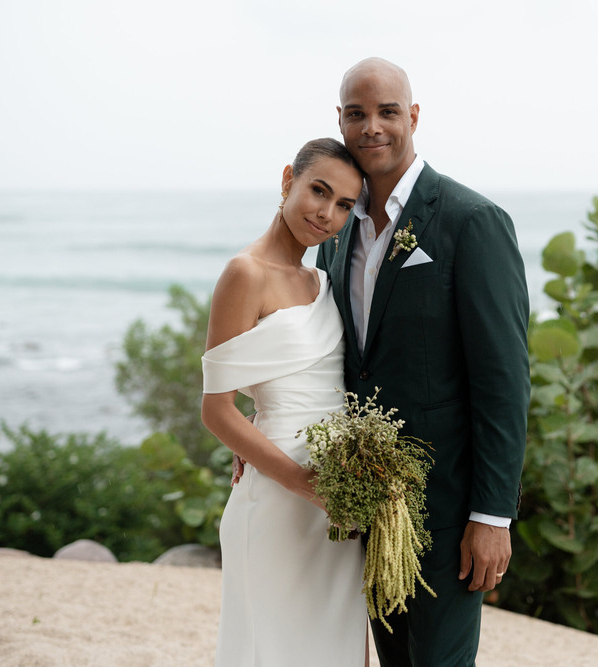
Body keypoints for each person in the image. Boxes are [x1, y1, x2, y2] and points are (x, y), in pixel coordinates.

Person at [316, 58, 531, 666]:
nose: (371, 127)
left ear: (412, 116)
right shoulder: (336, 229)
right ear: (339, 120)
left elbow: (503, 381)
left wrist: (493, 516)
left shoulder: (472, 222)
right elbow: (329, 352)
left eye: (387, 112)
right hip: (368, 499)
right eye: (356, 114)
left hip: (449, 507)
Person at [201, 138, 367, 666]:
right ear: (287, 180)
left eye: (344, 204)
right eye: (319, 191)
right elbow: (216, 409)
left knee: (340, 650)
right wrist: (305, 484)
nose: (327, 213)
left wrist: (341, 486)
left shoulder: (323, 280)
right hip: (280, 496)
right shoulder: (245, 273)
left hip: (338, 495)